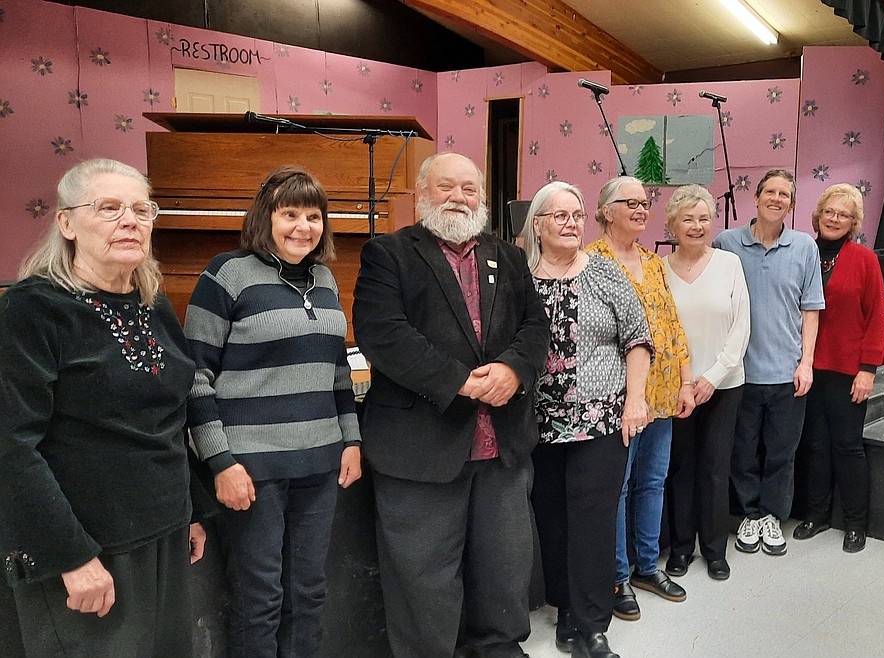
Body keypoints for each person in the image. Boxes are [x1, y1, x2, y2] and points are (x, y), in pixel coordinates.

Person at [0, 158, 207, 655]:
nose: (131, 220)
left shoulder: (150, 302)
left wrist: (189, 510)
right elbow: (11, 444)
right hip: (84, 545)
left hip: (161, 532)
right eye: (108, 208)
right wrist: (70, 557)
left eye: (141, 208)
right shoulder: (33, 308)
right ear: (66, 223)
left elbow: (167, 416)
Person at [353, 152, 550, 658]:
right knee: (423, 577)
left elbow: (535, 327)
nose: (459, 197)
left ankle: (500, 647)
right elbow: (384, 335)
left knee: (504, 566)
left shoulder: (508, 256)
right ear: (422, 194)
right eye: (447, 186)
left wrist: (512, 370)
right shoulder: (388, 253)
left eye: (470, 188)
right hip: (420, 448)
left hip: (501, 446)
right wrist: (460, 382)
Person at [184, 165, 362, 656]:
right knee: (259, 597)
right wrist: (220, 462)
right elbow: (196, 376)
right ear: (266, 217)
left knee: (308, 593)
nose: (303, 227)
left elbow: (337, 371)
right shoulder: (227, 274)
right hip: (251, 469)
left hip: (320, 464)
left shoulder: (325, 278)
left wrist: (350, 441)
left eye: (313, 216)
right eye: (290, 214)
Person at [520, 181, 652, 658]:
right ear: (537, 223)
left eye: (577, 214)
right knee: (552, 518)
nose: (572, 222)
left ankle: (594, 623)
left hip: (600, 419)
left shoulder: (604, 273)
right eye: (560, 215)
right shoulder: (521, 278)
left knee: (594, 519)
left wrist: (635, 401)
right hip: (540, 423)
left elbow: (638, 338)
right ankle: (566, 610)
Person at [586, 175, 695, 622]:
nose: (640, 208)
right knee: (619, 486)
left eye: (644, 202)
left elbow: (672, 323)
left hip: (664, 395)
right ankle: (617, 576)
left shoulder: (654, 262)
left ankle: (648, 567)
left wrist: (686, 381)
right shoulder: (589, 262)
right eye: (629, 202)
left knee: (652, 482)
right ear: (606, 210)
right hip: (620, 399)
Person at [712, 168, 824, 558]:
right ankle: (748, 514)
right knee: (741, 451)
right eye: (770, 192)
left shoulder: (805, 248)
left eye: (785, 195)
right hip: (738, 373)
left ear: (792, 205)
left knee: (781, 451)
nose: (777, 199)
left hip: (787, 371)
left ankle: (772, 515)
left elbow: (811, 310)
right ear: (756, 198)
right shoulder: (726, 243)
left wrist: (806, 363)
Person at [661, 185, 750, 581]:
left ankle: (715, 550)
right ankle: (680, 548)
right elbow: (661, 331)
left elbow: (741, 328)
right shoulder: (658, 269)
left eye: (703, 218)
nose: (696, 226)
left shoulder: (730, 263)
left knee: (715, 467)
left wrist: (712, 377)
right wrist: (685, 381)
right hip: (675, 387)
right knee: (680, 468)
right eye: (687, 219)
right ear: (672, 225)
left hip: (724, 384)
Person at [793, 184, 884, 553]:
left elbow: (876, 316)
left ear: (853, 222)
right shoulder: (802, 253)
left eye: (843, 215)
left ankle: (855, 523)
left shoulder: (865, 260)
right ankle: (816, 514)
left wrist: (868, 369)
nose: (834, 219)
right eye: (829, 212)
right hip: (805, 366)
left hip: (847, 369)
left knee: (847, 446)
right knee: (814, 444)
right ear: (818, 215)